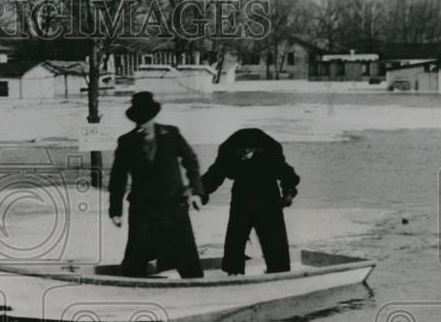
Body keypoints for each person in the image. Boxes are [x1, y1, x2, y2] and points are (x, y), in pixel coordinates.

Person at [108, 92, 207, 278]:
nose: (142, 125)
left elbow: (191, 162)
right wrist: (115, 209)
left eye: (145, 120)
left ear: (152, 118)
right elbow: (118, 178)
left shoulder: (172, 134)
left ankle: (196, 287)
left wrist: (196, 192)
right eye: (138, 121)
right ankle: (131, 291)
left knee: (187, 258)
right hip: (143, 207)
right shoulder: (127, 142)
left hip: (174, 204)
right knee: (135, 257)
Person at [201, 128, 300, 275]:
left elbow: (288, 175)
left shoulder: (270, 154)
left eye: (246, 152)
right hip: (242, 194)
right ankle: (233, 273)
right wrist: (200, 193)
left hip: (268, 193)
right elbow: (214, 176)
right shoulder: (227, 153)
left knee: (274, 236)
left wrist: (288, 193)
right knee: (236, 236)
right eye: (240, 153)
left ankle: (280, 272)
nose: (243, 156)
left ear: (255, 149)